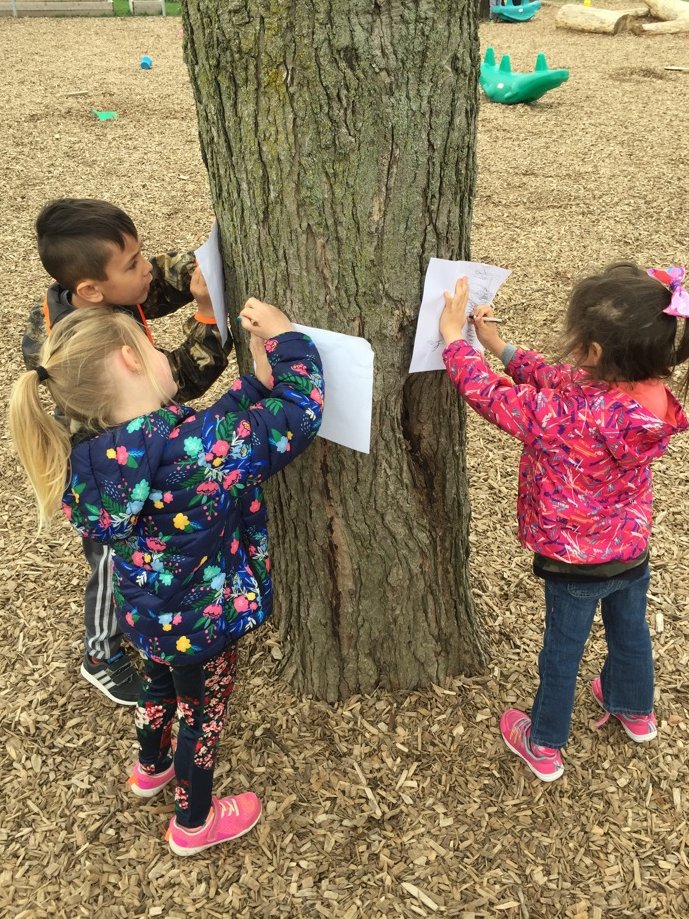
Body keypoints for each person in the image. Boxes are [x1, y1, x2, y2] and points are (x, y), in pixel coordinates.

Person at [9, 298, 323, 853]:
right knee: (202, 716)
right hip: (202, 625)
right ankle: (194, 822)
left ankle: (150, 767)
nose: (161, 356)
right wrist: (287, 340)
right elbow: (300, 413)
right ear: (131, 358)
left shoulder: (90, 459)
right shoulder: (192, 451)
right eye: (154, 347)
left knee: (160, 687)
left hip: (146, 615)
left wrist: (252, 384)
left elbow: (204, 431)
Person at [439, 263, 689, 782]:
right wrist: (500, 348)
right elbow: (565, 380)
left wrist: (454, 341)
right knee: (630, 632)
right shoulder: (647, 395)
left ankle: (544, 741)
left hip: (574, 559)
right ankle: (634, 709)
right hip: (629, 547)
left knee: (562, 649)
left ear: (594, 351)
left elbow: (493, 398)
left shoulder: (572, 418)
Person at [22, 198, 232, 704]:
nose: (146, 269)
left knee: (136, 556)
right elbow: (178, 381)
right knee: (112, 558)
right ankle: (100, 652)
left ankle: (141, 618)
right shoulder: (86, 352)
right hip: (107, 481)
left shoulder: (95, 299)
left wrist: (195, 269)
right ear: (91, 290)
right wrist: (206, 312)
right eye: (132, 262)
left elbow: (157, 278)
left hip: (129, 465)